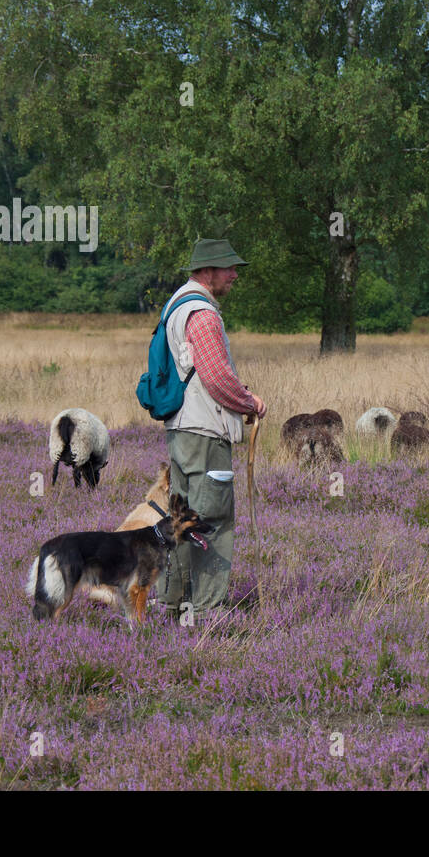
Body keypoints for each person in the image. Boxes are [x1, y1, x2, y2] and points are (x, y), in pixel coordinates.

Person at [156, 237, 266, 622]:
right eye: (228, 268)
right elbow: (216, 376)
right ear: (207, 271)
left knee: (181, 522)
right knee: (212, 523)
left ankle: (172, 608)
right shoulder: (202, 313)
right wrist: (250, 403)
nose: (234, 275)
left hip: (183, 431)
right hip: (205, 433)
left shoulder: (176, 305)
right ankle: (206, 616)